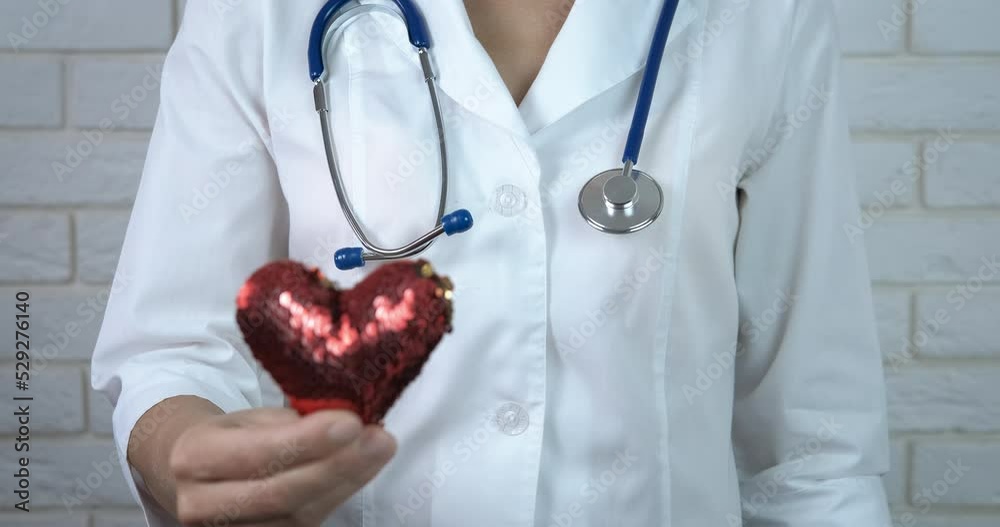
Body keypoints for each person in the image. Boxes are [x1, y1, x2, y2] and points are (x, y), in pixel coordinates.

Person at [92, 0, 893, 525]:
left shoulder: (764, 18)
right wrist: (185, 453)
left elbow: (816, 448)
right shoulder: (258, 13)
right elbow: (170, 348)